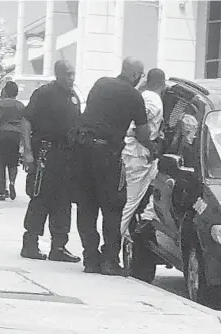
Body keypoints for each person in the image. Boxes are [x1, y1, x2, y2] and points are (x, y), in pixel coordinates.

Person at [73, 57, 152, 276]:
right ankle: (109, 260)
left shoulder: (101, 84)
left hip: (83, 150)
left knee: (86, 206)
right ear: (135, 75)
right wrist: (153, 148)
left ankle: (90, 259)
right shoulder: (134, 96)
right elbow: (144, 132)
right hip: (107, 155)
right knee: (113, 207)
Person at [20, 60, 81, 263]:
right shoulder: (44, 93)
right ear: (58, 74)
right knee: (40, 198)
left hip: (67, 156)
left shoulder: (73, 96)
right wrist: (28, 152)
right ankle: (30, 243)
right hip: (45, 153)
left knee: (63, 201)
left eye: (73, 74)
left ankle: (59, 247)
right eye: (68, 74)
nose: (71, 79)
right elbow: (26, 120)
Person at [120, 68, 166, 243]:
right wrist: (151, 147)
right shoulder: (154, 101)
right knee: (130, 202)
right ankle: (112, 245)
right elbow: (138, 128)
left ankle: (143, 222)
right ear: (163, 83)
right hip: (139, 155)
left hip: (133, 153)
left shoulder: (143, 95)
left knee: (147, 191)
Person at [0, 81, 24, 201]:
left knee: (1, 163)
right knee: (13, 162)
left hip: (2, 134)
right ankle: (12, 182)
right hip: (16, 135)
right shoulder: (20, 106)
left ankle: (2, 192)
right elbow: (24, 123)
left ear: (5, 91)